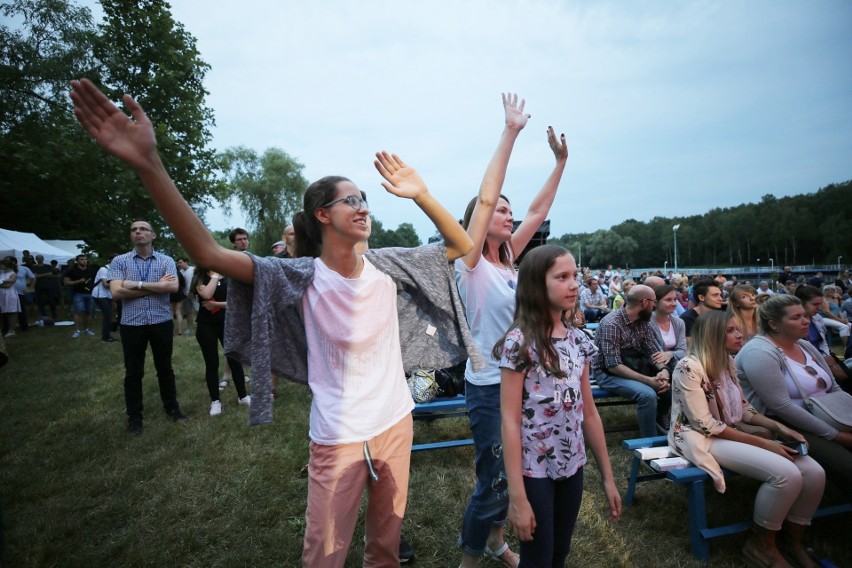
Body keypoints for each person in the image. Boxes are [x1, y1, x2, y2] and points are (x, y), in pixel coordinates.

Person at [70, 77, 476, 566]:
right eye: (351, 199)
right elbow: (206, 252)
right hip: (338, 436)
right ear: (322, 215)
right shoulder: (296, 276)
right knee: (323, 555)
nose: (363, 205)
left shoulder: (388, 265)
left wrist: (422, 193)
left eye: (365, 197)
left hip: (395, 423)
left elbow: (459, 246)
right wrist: (148, 163)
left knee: (386, 549)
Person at [455, 93, 568, 568]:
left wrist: (560, 163)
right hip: (486, 386)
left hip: (520, 382)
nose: (508, 213)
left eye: (508, 209)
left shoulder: (508, 264)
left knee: (515, 471)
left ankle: (497, 543)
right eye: (500, 210)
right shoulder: (472, 262)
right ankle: (469, 558)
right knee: (494, 482)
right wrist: (511, 132)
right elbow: (485, 197)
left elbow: (538, 214)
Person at [496, 245, 621, 566]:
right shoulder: (520, 344)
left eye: (575, 275)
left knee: (559, 551)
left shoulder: (579, 341)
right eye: (562, 277)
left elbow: (589, 412)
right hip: (533, 469)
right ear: (537, 285)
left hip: (573, 463)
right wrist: (517, 496)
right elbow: (509, 421)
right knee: (537, 557)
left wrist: (607, 476)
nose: (574, 284)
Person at [672, 310, 824, 568]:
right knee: (786, 474)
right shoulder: (688, 367)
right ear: (713, 335)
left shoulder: (727, 361)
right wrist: (766, 443)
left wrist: (778, 427)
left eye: (737, 329)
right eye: (731, 330)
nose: (740, 334)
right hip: (700, 438)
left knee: (815, 472)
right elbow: (706, 425)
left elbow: (743, 408)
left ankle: (792, 541)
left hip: (727, 432)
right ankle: (761, 546)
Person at [736, 294, 852, 504]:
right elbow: (781, 406)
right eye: (796, 317)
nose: (806, 321)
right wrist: (836, 435)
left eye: (805, 316)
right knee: (845, 464)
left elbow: (834, 387)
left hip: (825, 413)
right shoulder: (759, 352)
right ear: (774, 324)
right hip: (781, 423)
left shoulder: (805, 345)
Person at [107, 219, 188, 434]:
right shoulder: (120, 262)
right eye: (134, 230)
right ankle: (134, 417)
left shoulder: (165, 260)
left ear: (153, 235)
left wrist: (136, 284)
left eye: (143, 229)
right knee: (133, 372)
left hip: (160, 322)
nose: (138, 232)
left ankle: (172, 408)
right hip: (132, 324)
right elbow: (116, 292)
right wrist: (156, 287)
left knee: (165, 368)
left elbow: (172, 286)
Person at [592, 285, 672, 437]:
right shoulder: (611, 323)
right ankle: (650, 445)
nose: (655, 305)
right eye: (654, 302)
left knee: (673, 383)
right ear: (645, 302)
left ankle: (659, 418)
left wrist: (663, 370)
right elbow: (613, 366)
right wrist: (649, 380)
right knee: (647, 395)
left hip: (633, 367)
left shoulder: (643, 321)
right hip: (606, 373)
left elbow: (652, 352)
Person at [191, 267, 249, 415]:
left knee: (234, 360)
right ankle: (215, 401)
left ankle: (243, 396)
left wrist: (216, 305)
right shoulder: (200, 277)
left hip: (228, 324)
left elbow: (237, 301)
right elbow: (206, 294)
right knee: (212, 363)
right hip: (206, 326)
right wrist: (215, 275)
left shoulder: (230, 276)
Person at [650, 284, 687, 367]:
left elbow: (683, 350)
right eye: (668, 300)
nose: (674, 303)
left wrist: (670, 354)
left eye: (675, 299)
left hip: (677, 365)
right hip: (656, 367)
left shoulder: (679, 322)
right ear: (655, 303)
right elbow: (656, 354)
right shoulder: (646, 323)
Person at [680, 278, 723, 343]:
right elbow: (693, 345)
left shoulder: (721, 315)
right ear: (701, 297)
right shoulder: (687, 318)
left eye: (720, 295)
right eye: (715, 295)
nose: (721, 299)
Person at [64, 254, 97, 337]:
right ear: (77, 261)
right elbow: (66, 282)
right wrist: (78, 281)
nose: (84, 261)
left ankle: (87, 329)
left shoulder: (91, 271)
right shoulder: (72, 271)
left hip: (90, 294)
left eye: (85, 259)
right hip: (78, 294)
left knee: (88, 313)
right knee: (78, 313)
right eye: (82, 259)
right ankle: (77, 331)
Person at [92, 254, 118, 343]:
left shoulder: (116, 270)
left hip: (108, 295)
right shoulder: (104, 269)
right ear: (110, 260)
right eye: (114, 259)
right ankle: (105, 337)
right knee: (108, 315)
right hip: (100, 295)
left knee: (110, 314)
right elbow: (105, 284)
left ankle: (108, 333)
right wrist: (118, 283)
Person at [8, 257, 34, 333]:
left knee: (22, 310)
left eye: (8, 261)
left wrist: (30, 288)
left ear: (14, 262)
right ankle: (8, 327)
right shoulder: (4, 270)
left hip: (20, 293)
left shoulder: (24, 268)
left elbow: (33, 278)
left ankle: (24, 326)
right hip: (8, 292)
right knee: (9, 310)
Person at [31, 255, 59, 319]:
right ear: (36, 259)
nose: (39, 259)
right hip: (38, 286)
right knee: (40, 301)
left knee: (51, 300)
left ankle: (54, 314)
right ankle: (43, 315)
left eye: (40, 258)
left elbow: (51, 274)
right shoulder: (34, 267)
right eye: (38, 258)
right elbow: (34, 276)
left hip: (48, 285)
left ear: (43, 259)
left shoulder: (48, 266)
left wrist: (39, 276)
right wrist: (46, 275)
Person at [0, 259, 20, 337]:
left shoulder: (13, 274)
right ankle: (4, 328)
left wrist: (3, 282)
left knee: (11, 312)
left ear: (5, 265)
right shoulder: (2, 273)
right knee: (3, 312)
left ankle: (11, 330)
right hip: (1, 294)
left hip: (9, 294)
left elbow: (8, 285)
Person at [176, 257, 196, 335]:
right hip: (185, 295)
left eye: (181, 262)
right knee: (189, 312)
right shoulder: (180, 272)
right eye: (178, 263)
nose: (179, 264)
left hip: (194, 294)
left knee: (199, 310)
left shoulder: (193, 269)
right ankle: (190, 328)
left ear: (186, 262)